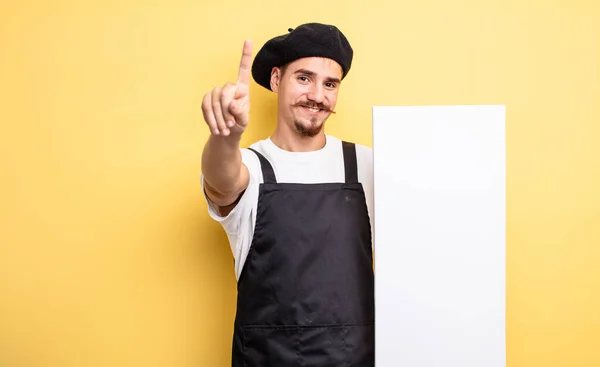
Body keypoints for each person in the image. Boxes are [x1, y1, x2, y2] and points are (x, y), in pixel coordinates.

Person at [200, 22, 375, 367]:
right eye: (304, 78)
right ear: (277, 80)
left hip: (354, 358)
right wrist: (226, 136)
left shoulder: (366, 164)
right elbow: (222, 182)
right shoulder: (250, 164)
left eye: (330, 84)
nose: (318, 96)